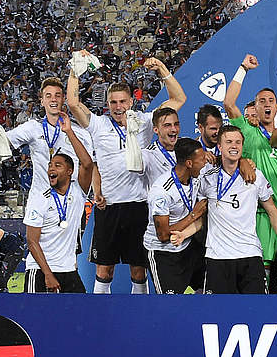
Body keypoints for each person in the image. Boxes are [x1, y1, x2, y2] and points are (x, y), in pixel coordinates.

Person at [67, 52, 186, 294]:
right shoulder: (99, 124)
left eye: (122, 101)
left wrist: (162, 69)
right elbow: (72, 104)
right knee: (104, 270)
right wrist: (74, 71)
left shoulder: (145, 121)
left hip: (139, 206)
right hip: (109, 206)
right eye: (113, 102)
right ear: (107, 104)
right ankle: (101, 314)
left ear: (131, 102)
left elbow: (179, 98)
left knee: (138, 270)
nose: (118, 107)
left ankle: (139, 313)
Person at [222, 53, 277, 293]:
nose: (267, 104)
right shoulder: (246, 131)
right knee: (262, 268)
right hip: (259, 211)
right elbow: (229, 103)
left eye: (271, 100)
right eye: (261, 101)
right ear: (255, 108)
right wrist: (243, 69)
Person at [197, 125, 277, 293]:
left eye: (238, 142)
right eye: (229, 142)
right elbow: (199, 214)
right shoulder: (207, 177)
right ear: (219, 147)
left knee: (256, 308)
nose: (234, 146)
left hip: (250, 254)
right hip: (218, 257)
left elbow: (272, 211)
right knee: (217, 309)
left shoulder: (256, 176)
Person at [0, 77, 88, 196]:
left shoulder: (79, 131)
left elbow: (90, 166)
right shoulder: (33, 127)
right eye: (48, 96)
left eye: (57, 95)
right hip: (40, 200)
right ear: (42, 101)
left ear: (64, 99)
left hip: (70, 198)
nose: (53, 99)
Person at [23, 117, 94, 293]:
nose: (51, 169)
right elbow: (32, 241)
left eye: (57, 165)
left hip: (68, 270)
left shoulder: (78, 192)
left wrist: (69, 132)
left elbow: (87, 164)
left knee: (82, 309)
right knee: (36, 312)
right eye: (50, 166)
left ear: (70, 171)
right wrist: (48, 274)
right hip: (39, 271)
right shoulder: (40, 199)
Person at [147, 137, 210, 294]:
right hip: (163, 252)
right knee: (171, 303)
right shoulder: (162, 192)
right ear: (189, 163)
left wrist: (245, 163)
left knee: (207, 290)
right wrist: (193, 215)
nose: (205, 163)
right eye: (202, 160)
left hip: (188, 245)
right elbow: (163, 235)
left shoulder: (195, 177)